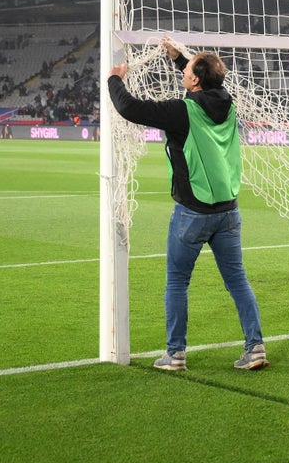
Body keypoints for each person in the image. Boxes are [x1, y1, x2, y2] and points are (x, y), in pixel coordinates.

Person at [107, 39, 268, 372]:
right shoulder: (229, 103)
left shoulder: (183, 111)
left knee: (177, 282)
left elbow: (130, 109)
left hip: (192, 212)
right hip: (228, 210)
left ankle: (175, 353)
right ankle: (255, 348)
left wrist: (114, 79)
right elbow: (206, 87)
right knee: (237, 281)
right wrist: (180, 58)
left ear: (195, 80)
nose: (185, 71)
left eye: (189, 68)